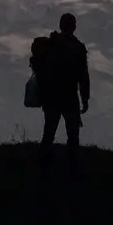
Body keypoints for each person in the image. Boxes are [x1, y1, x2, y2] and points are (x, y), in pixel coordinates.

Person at [33, 12, 91, 168]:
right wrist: (85, 98)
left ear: (60, 26)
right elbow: (83, 76)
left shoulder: (51, 44)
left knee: (49, 132)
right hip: (70, 97)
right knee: (72, 135)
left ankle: (43, 165)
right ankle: (71, 167)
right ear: (74, 27)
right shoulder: (78, 48)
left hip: (51, 96)